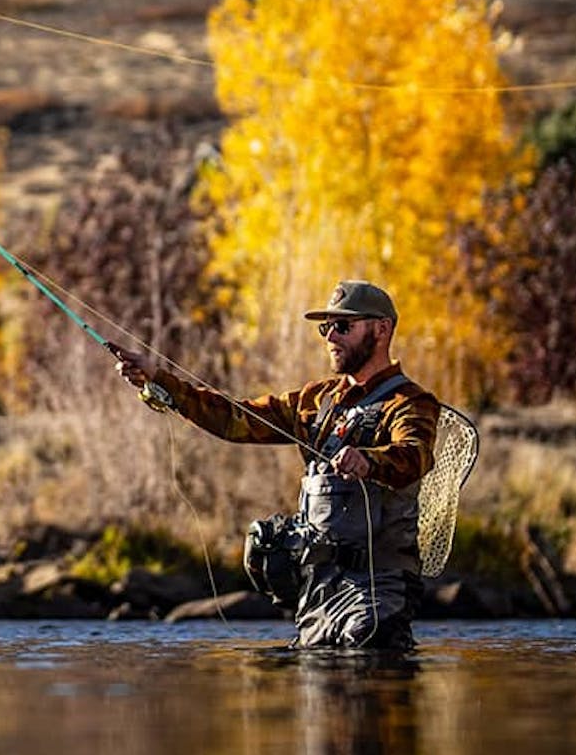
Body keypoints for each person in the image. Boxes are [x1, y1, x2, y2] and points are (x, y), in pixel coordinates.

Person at [112, 279, 438, 651]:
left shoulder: (410, 403)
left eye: (343, 326)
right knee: (316, 680)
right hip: (318, 593)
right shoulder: (317, 400)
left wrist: (369, 460)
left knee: (368, 667)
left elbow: (415, 455)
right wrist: (160, 380)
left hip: (380, 590)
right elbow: (236, 419)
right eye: (326, 328)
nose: (331, 337)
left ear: (381, 329)